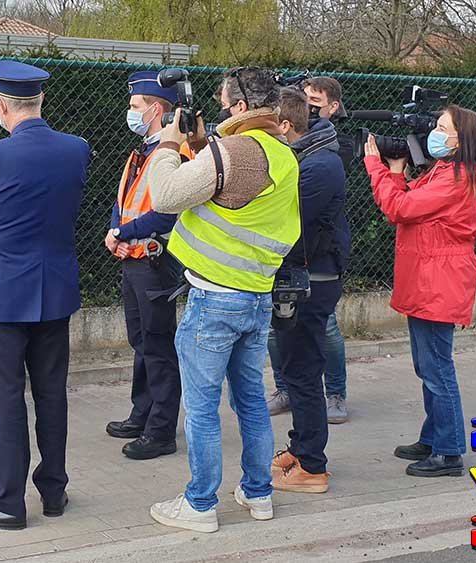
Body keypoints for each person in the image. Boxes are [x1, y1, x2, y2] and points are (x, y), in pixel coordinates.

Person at [146, 67, 301, 533]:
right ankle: (258, 494)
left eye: (222, 103)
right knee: (251, 402)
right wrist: (200, 148)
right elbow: (229, 192)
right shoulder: (283, 154)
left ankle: (199, 505)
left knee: (202, 408)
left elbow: (166, 196)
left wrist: (171, 145)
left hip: (214, 301)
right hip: (255, 299)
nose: (217, 110)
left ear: (238, 108)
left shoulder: (232, 150)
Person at [0, 61, 91, 530]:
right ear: (40, 101)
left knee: (6, 397)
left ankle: (7, 501)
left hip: (2, 295)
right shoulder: (77, 150)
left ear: (0, 103)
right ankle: (53, 491)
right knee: (52, 393)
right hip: (54, 291)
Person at [364, 105, 476, 478]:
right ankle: (434, 437)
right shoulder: (445, 171)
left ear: (458, 139)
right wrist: (397, 172)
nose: (433, 132)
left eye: (440, 127)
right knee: (427, 366)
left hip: (439, 282)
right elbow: (407, 205)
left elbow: (398, 207)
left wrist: (376, 166)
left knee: (437, 369)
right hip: (429, 279)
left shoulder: (455, 178)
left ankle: (449, 453)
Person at [104, 71, 195, 461]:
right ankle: (141, 413)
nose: (131, 112)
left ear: (156, 109)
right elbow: (123, 199)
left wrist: (122, 233)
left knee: (157, 347)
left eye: (135, 106)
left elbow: (167, 211)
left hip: (157, 263)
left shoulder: (177, 152)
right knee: (140, 342)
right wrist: (115, 229)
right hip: (134, 260)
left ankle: (161, 431)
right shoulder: (141, 149)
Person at [268, 87, 351, 495]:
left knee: (303, 371)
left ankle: (313, 467)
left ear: (286, 125)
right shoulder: (311, 157)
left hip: (313, 282)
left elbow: (287, 220)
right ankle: (301, 448)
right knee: (297, 369)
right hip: (306, 277)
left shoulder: (319, 166)